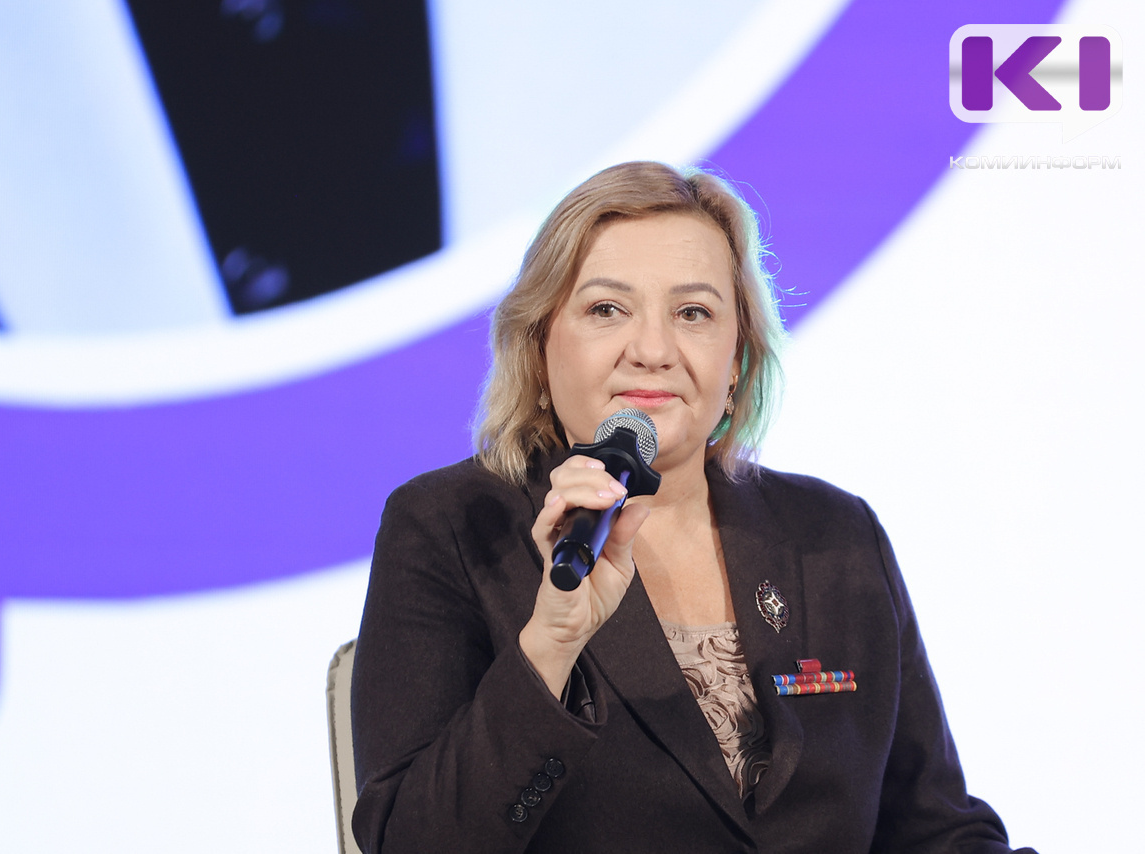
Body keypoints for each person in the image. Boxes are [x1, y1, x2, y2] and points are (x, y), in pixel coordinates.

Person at [350, 162, 1033, 853]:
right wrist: (550, 644)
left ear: (736, 361)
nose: (652, 351)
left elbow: (934, 828)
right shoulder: (451, 527)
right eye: (606, 310)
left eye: (693, 313)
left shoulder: (836, 534)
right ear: (539, 346)